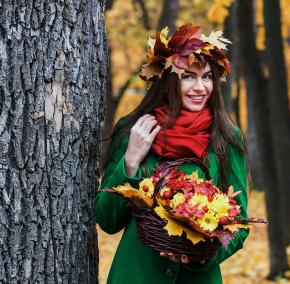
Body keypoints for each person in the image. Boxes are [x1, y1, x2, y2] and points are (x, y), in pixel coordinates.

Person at [94, 23, 249, 284]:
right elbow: (108, 221)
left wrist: (202, 257)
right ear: (168, 80)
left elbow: (239, 225)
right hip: (136, 275)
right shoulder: (136, 129)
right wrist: (130, 162)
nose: (201, 87)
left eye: (207, 76)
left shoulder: (226, 137)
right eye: (188, 76)